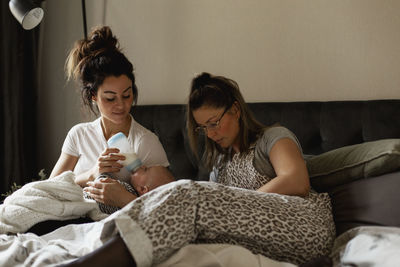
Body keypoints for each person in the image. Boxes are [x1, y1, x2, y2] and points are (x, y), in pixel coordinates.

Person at [62, 73, 335, 267]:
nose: (211, 134)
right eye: (204, 128)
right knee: (191, 213)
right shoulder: (221, 164)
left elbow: (297, 181)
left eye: (215, 123)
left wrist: (233, 204)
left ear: (236, 110)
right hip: (263, 235)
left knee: (189, 194)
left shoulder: (273, 137)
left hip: (304, 226)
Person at [49, 26, 169, 209]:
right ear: (93, 96)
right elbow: (50, 189)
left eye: (127, 95)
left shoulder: (145, 142)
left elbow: (165, 207)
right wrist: (91, 174)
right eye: (110, 98)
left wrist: (123, 198)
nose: (121, 105)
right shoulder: (79, 135)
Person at [84, 166, 176, 214]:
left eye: (145, 170)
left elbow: (100, 183)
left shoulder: (127, 190)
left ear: (143, 189)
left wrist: (104, 172)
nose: (142, 165)